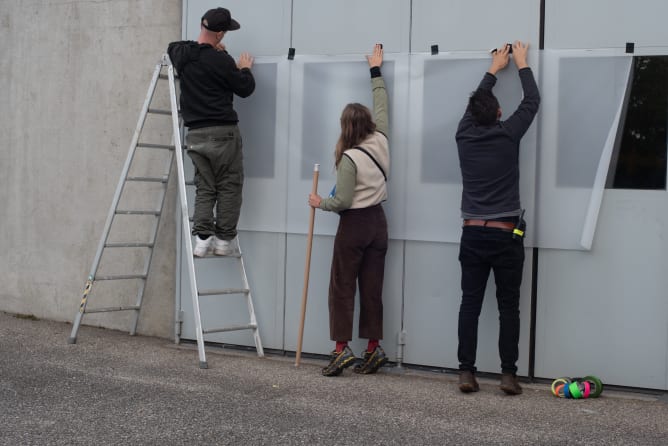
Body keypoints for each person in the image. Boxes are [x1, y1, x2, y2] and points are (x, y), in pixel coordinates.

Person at [455, 41, 540, 394]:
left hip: (472, 233)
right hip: (506, 234)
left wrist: (494, 67)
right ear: (500, 113)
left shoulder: (463, 135)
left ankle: (466, 373)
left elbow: (473, 105)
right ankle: (508, 375)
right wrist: (521, 64)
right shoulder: (508, 135)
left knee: (470, 304)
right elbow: (532, 102)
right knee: (509, 308)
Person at [308, 44, 390, 377]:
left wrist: (318, 203)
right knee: (372, 289)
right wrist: (376, 71)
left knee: (342, 288)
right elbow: (382, 104)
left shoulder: (349, 159)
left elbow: (341, 201)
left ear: (345, 128)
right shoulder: (381, 138)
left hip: (354, 225)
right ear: (368, 123)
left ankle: (341, 351)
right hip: (379, 225)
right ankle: (373, 350)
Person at [167, 7, 255, 257]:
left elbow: (176, 46)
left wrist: (205, 47)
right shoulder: (222, 60)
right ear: (219, 34)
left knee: (205, 186)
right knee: (229, 185)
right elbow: (245, 89)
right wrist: (245, 68)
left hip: (196, 136)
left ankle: (202, 239)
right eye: (224, 33)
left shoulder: (182, 54)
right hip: (223, 133)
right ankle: (223, 241)